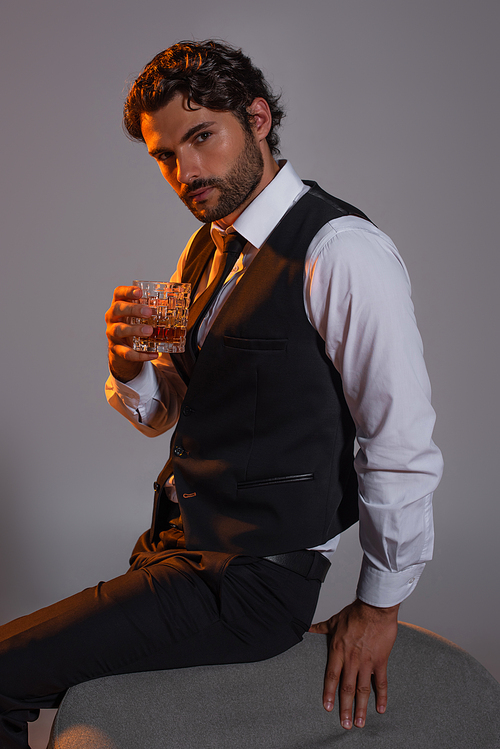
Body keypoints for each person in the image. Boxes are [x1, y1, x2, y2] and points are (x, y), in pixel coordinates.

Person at [0, 40, 442, 747]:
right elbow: (173, 412)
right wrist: (128, 364)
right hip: (176, 553)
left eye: (202, 136)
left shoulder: (343, 251)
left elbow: (400, 444)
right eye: (166, 155)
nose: (187, 170)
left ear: (258, 119)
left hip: (250, 582)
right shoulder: (204, 249)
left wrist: (381, 605)